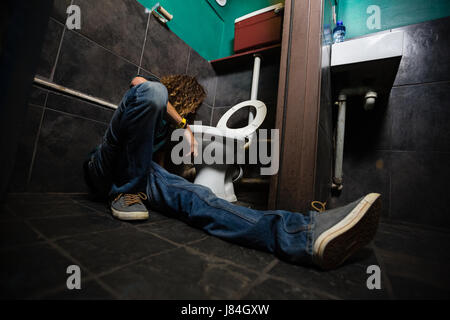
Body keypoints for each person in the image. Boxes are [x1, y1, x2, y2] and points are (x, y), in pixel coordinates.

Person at [83, 75, 381, 270]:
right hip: (104, 166)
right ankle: (125, 191)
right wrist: (184, 124)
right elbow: (142, 86)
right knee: (153, 92)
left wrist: (171, 184)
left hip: (140, 176)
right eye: (192, 106)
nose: (194, 109)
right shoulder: (155, 103)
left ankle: (303, 235)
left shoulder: (161, 130)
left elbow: (154, 162)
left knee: (201, 198)